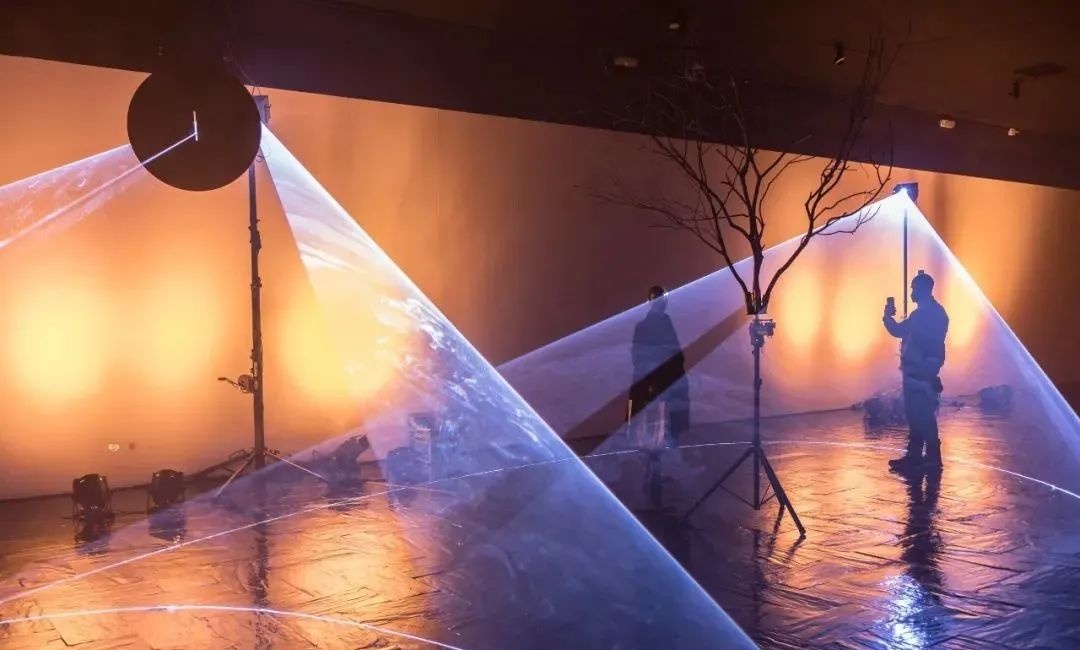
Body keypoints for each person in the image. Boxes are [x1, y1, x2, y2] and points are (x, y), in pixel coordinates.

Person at [882, 270, 949, 470]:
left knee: (922, 414)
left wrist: (887, 316)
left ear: (922, 289)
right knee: (917, 413)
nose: (911, 292)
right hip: (920, 368)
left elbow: (900, 331)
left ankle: (928, 457)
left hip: (920, 369)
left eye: (913, 288)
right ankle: (918, 456)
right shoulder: (932, 313)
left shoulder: (926, 315)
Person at [630, 285, 690, 447]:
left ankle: (656, 438)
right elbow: (639, 353)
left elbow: (674, 350)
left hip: (658, 373)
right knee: (655, 405)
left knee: (660, 404)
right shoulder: (648, 325)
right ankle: (651, 438)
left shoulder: (661, 322)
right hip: (653, 374)